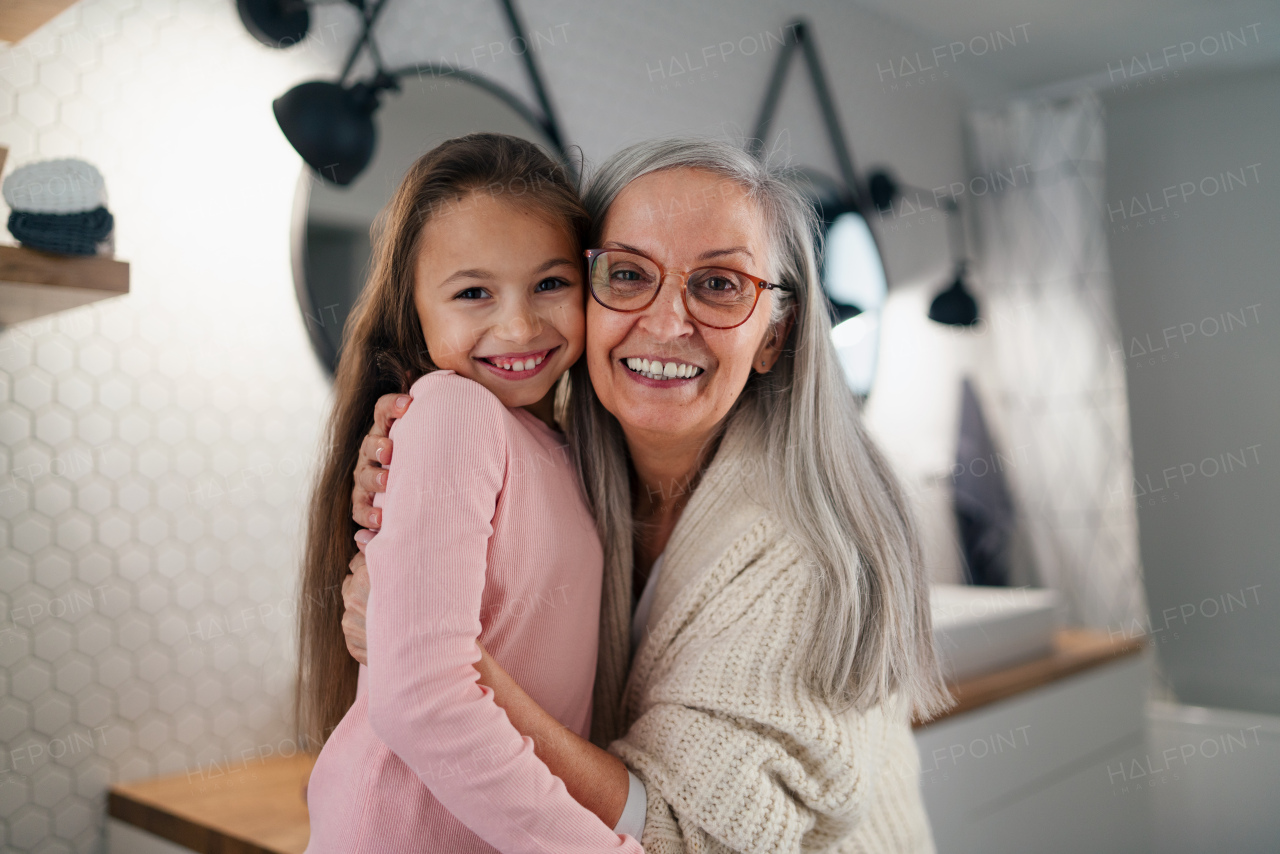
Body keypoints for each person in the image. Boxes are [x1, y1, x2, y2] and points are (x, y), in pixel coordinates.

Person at [343, 137, 954, 852]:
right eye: (629, 274)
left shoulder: (807, 555)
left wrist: (434, 661)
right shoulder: (566, 462)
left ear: (773, 337)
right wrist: (404, 474)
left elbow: (693, 834)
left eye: (721, 284)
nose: (666, 323)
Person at [296, 133, 643, 853]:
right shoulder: (456, 410)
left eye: (550, 284)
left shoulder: (567, 449)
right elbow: (420, 692)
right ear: (416, 308)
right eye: (473, 292)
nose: (517, 325)